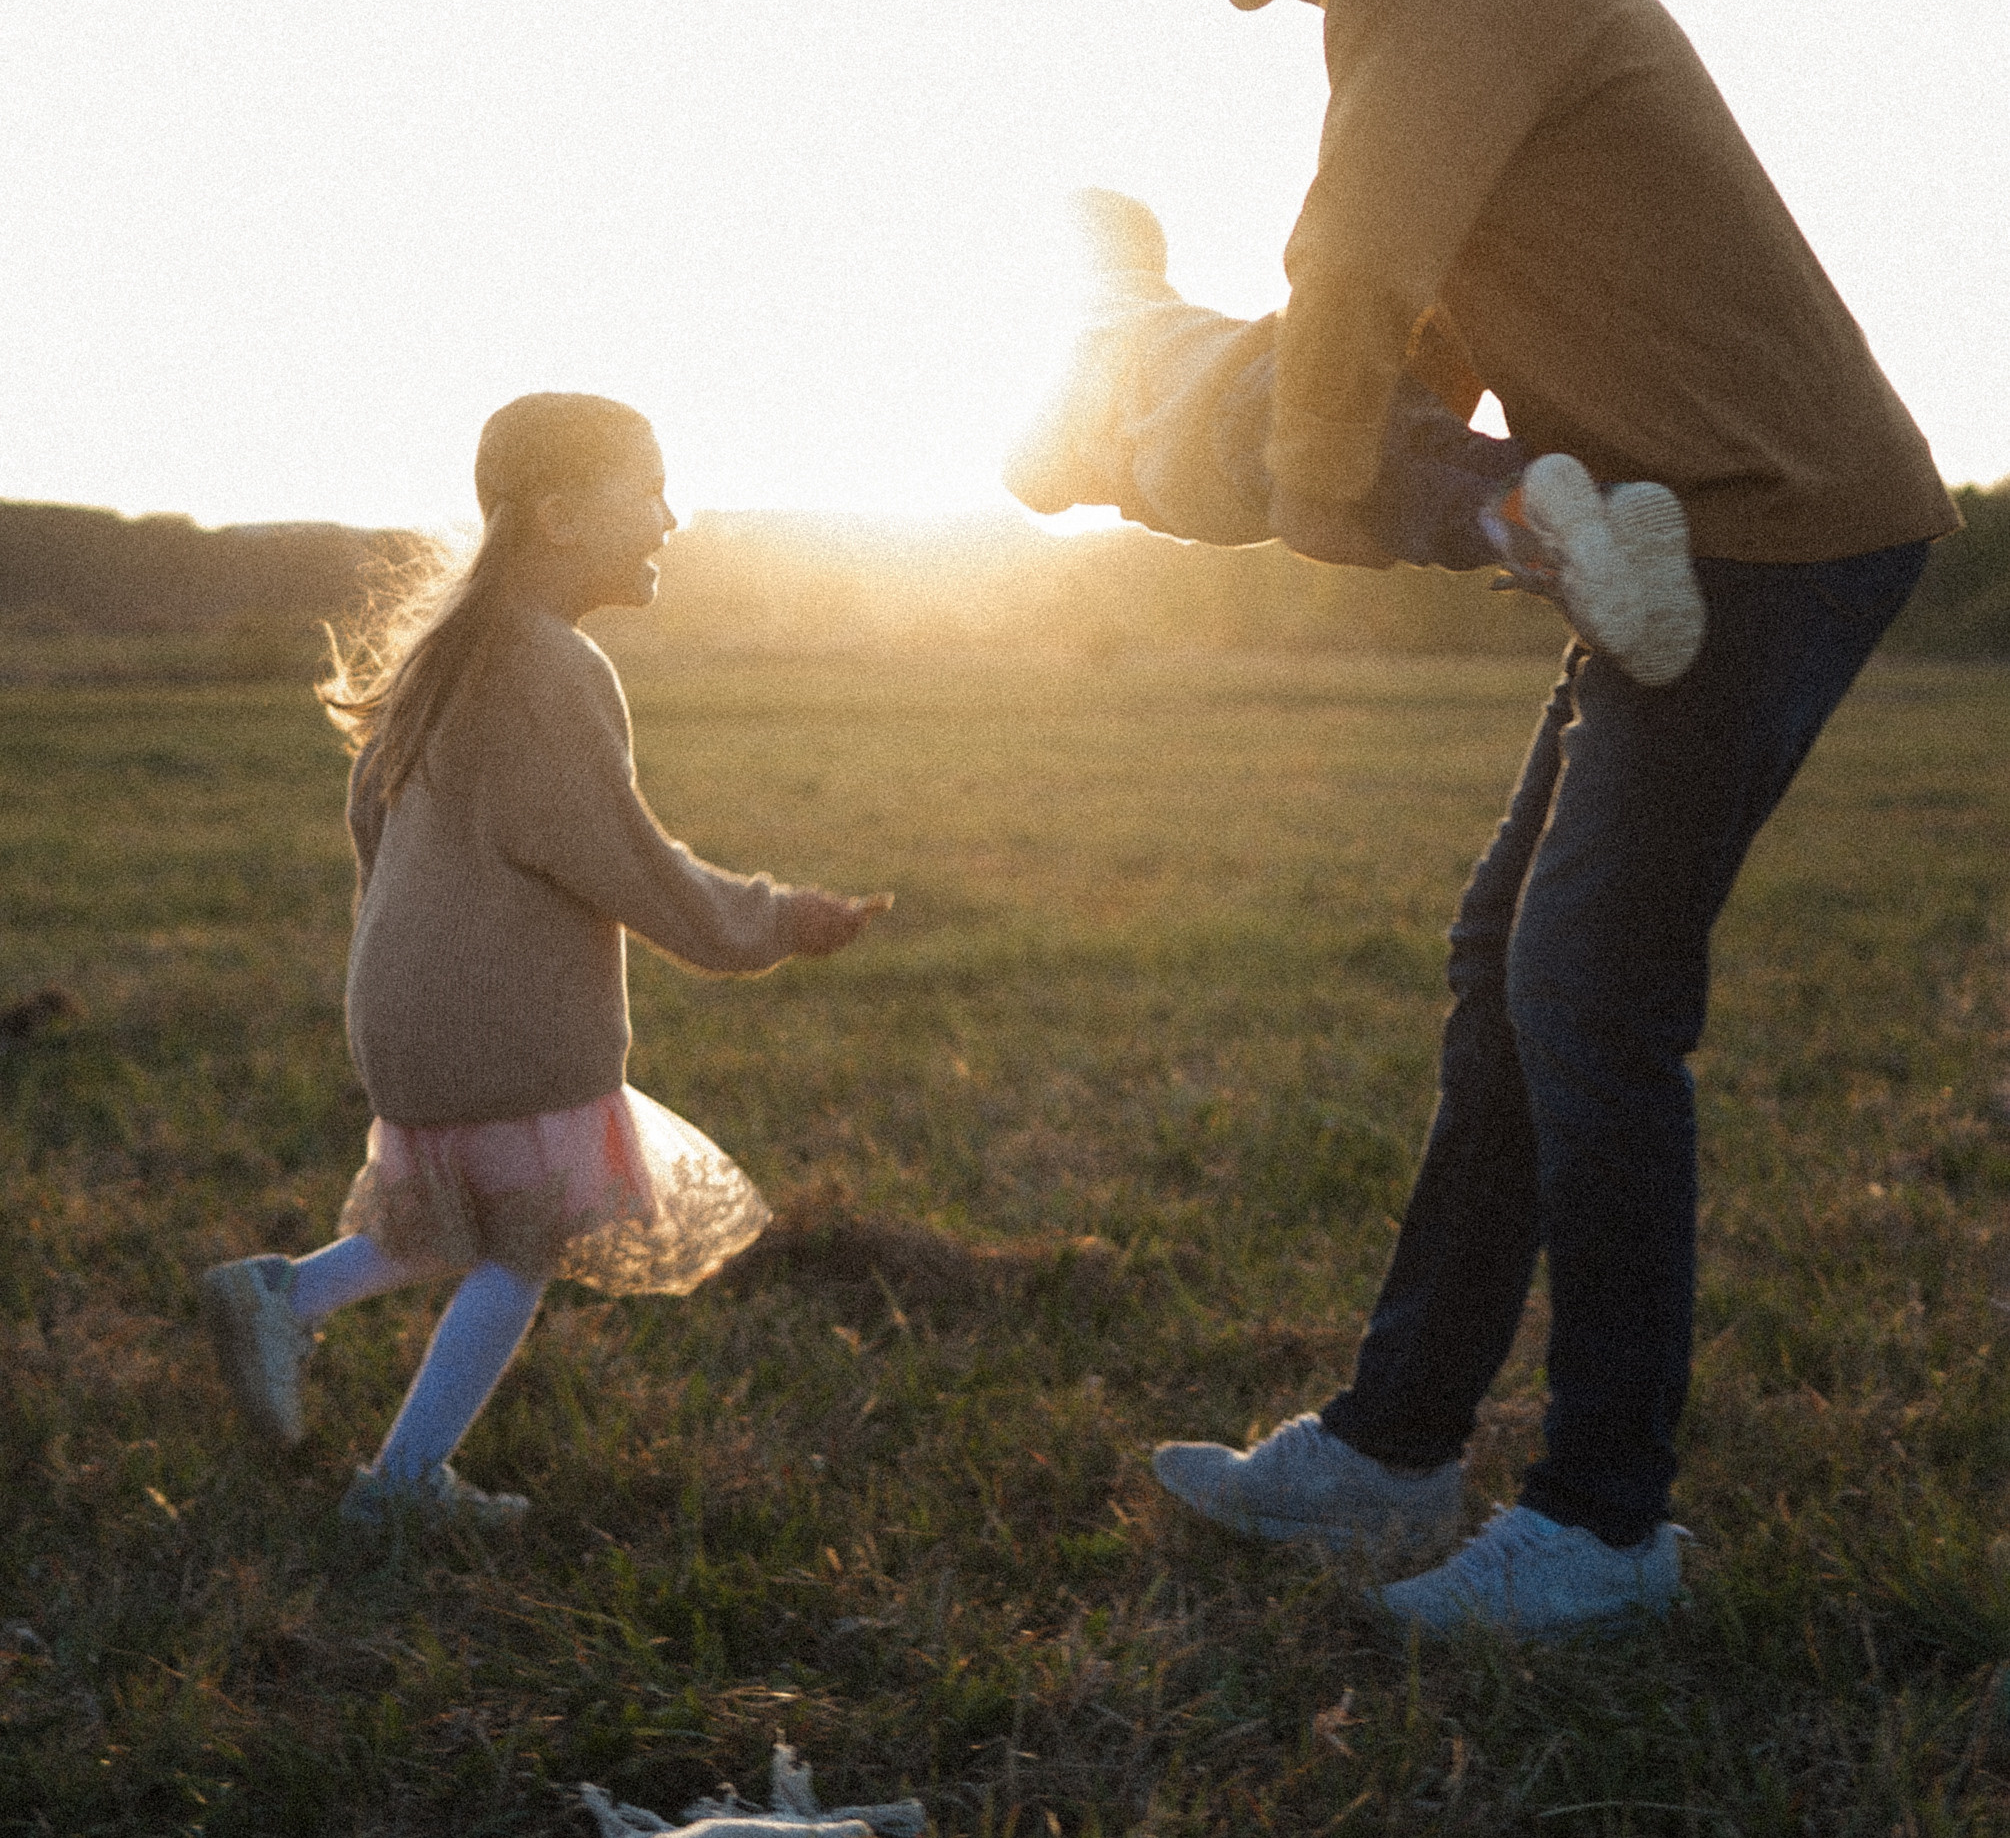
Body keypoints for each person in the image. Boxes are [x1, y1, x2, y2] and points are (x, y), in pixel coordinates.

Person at [1125, 0, 1956, 1636]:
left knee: (1585, 982)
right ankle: (1397, 1442)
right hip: (1707, 527)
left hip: (1772, 520)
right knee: (1513, 955)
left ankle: (1602, 1526)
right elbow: (1452, 309)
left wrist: (1322, 492)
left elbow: (1358, 263)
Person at [199, 390, 891, 1528]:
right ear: (564, 515)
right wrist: (772, 918)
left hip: (407, 1007)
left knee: (459, 1212)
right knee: (526, 1241)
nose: (673, 517)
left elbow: (370, 826)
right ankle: (405, 1485)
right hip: (501, 1022)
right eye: (652, 489)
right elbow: (627, 861)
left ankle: (288, 1295)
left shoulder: (446, 656)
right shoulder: (549, 665)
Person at [1003, 188, 1706, 687]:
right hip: (1303, 352)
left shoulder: (1081, 338)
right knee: (1431, 447)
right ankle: (1606, 506)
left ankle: (1532, 526)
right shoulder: (1160, 309)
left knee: (1401, 502)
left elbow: (1029, 478)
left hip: (1222, 435)